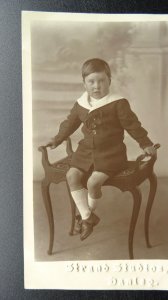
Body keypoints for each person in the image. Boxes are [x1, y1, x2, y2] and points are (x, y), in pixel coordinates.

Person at [46, 58, 156, 241]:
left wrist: (145, 143)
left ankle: (85, 217)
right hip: (85, 151)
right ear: (84, 83)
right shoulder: (81, 103)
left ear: (109, 81)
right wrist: (57, 139)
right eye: (91, 82)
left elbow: (133, 125)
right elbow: (69, 124)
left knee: (93, 183)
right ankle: (88, 217)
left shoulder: (118, 103)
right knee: (71, 176)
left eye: (101, 81)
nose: (96, 86)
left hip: (111, 154)